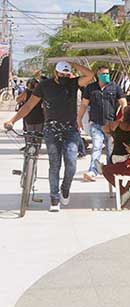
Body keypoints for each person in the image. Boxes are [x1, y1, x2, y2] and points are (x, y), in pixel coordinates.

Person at [4, 61, 94, 212]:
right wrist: (12, 120)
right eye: (61, 74)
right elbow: (28, 106)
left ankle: (65, 188)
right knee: (54, 164)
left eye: (67, 74)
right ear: (55, 73)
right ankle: (55, 198)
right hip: (51, 129)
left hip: (70, 129)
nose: (64, 76)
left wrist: (72, 63)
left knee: (71, 163)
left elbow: (90, 75)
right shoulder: (44, 86)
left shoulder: (73, 83)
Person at [78, 65, 127, 182]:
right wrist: (79, 118)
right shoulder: (90, 88)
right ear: (98, 75)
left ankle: (110, 170)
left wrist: (122, 118)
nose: (106, 76)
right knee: (97, 147)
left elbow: (123, 102)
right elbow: (84, 104)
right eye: (103, 74)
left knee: (110, 149)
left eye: (107, 73)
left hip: (110, 124)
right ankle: (93, 171)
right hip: (95, 123)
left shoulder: (115, 87)